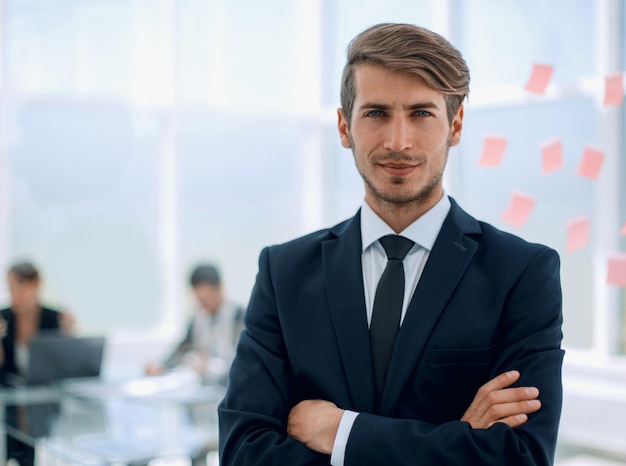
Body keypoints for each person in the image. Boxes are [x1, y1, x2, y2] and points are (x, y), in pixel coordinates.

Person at [218, 23, 564, 465]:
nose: (398, 141)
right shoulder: (283, 273)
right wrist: (456, 439)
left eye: (421, 113)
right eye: (376, 113)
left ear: (455, 125)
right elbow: (243, 452)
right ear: (344, 127)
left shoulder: (521, 273)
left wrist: (341, 431)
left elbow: (521, 456)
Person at [0, 260, 75, 466]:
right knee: (11, 448)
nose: (14, 295)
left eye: (19, 288)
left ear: (36, 285)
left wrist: (69, 336)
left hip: (43, 403)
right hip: (9, 402)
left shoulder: (54, 318)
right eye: (10, 288)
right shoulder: (3, 318)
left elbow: (64, 366)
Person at [145, 263, 245, 383]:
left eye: (206, 300)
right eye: (199, 301)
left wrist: (212, 365)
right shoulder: (198, 318)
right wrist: (161, 365)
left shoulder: (239, 317)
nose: (203, 306)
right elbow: (183, 348)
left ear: (219, 288)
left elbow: (242, 360)